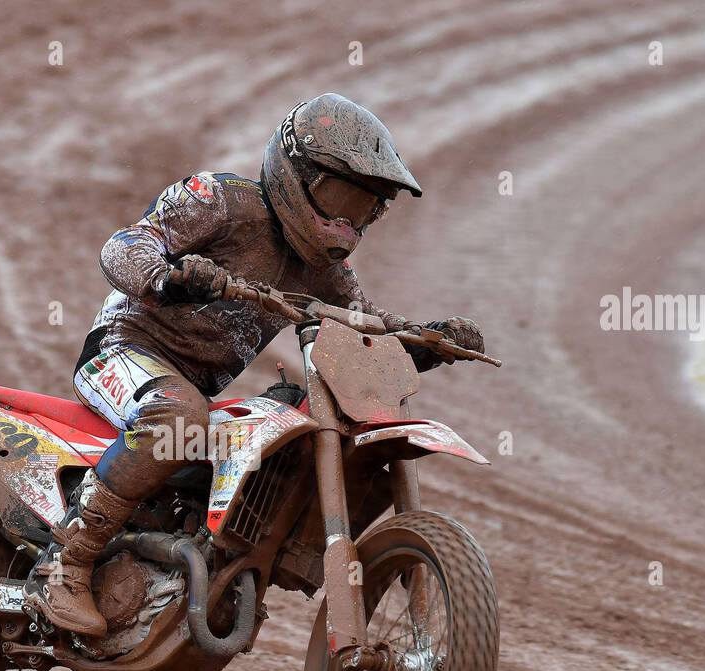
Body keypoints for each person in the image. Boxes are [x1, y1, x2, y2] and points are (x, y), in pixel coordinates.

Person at [37, 93, 485, 635]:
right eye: (340, 197)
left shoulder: (324, 274)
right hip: (126, 348)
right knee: (177, 419)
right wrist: (167, 275)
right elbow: (124, 244)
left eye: (364, 209)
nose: (347, 223)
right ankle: (67, 562)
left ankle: (236, 559)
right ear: (295, 171)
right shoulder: (219, 200)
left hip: (196, 387)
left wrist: (425, 341)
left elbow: (368, 327)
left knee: (299, 423)